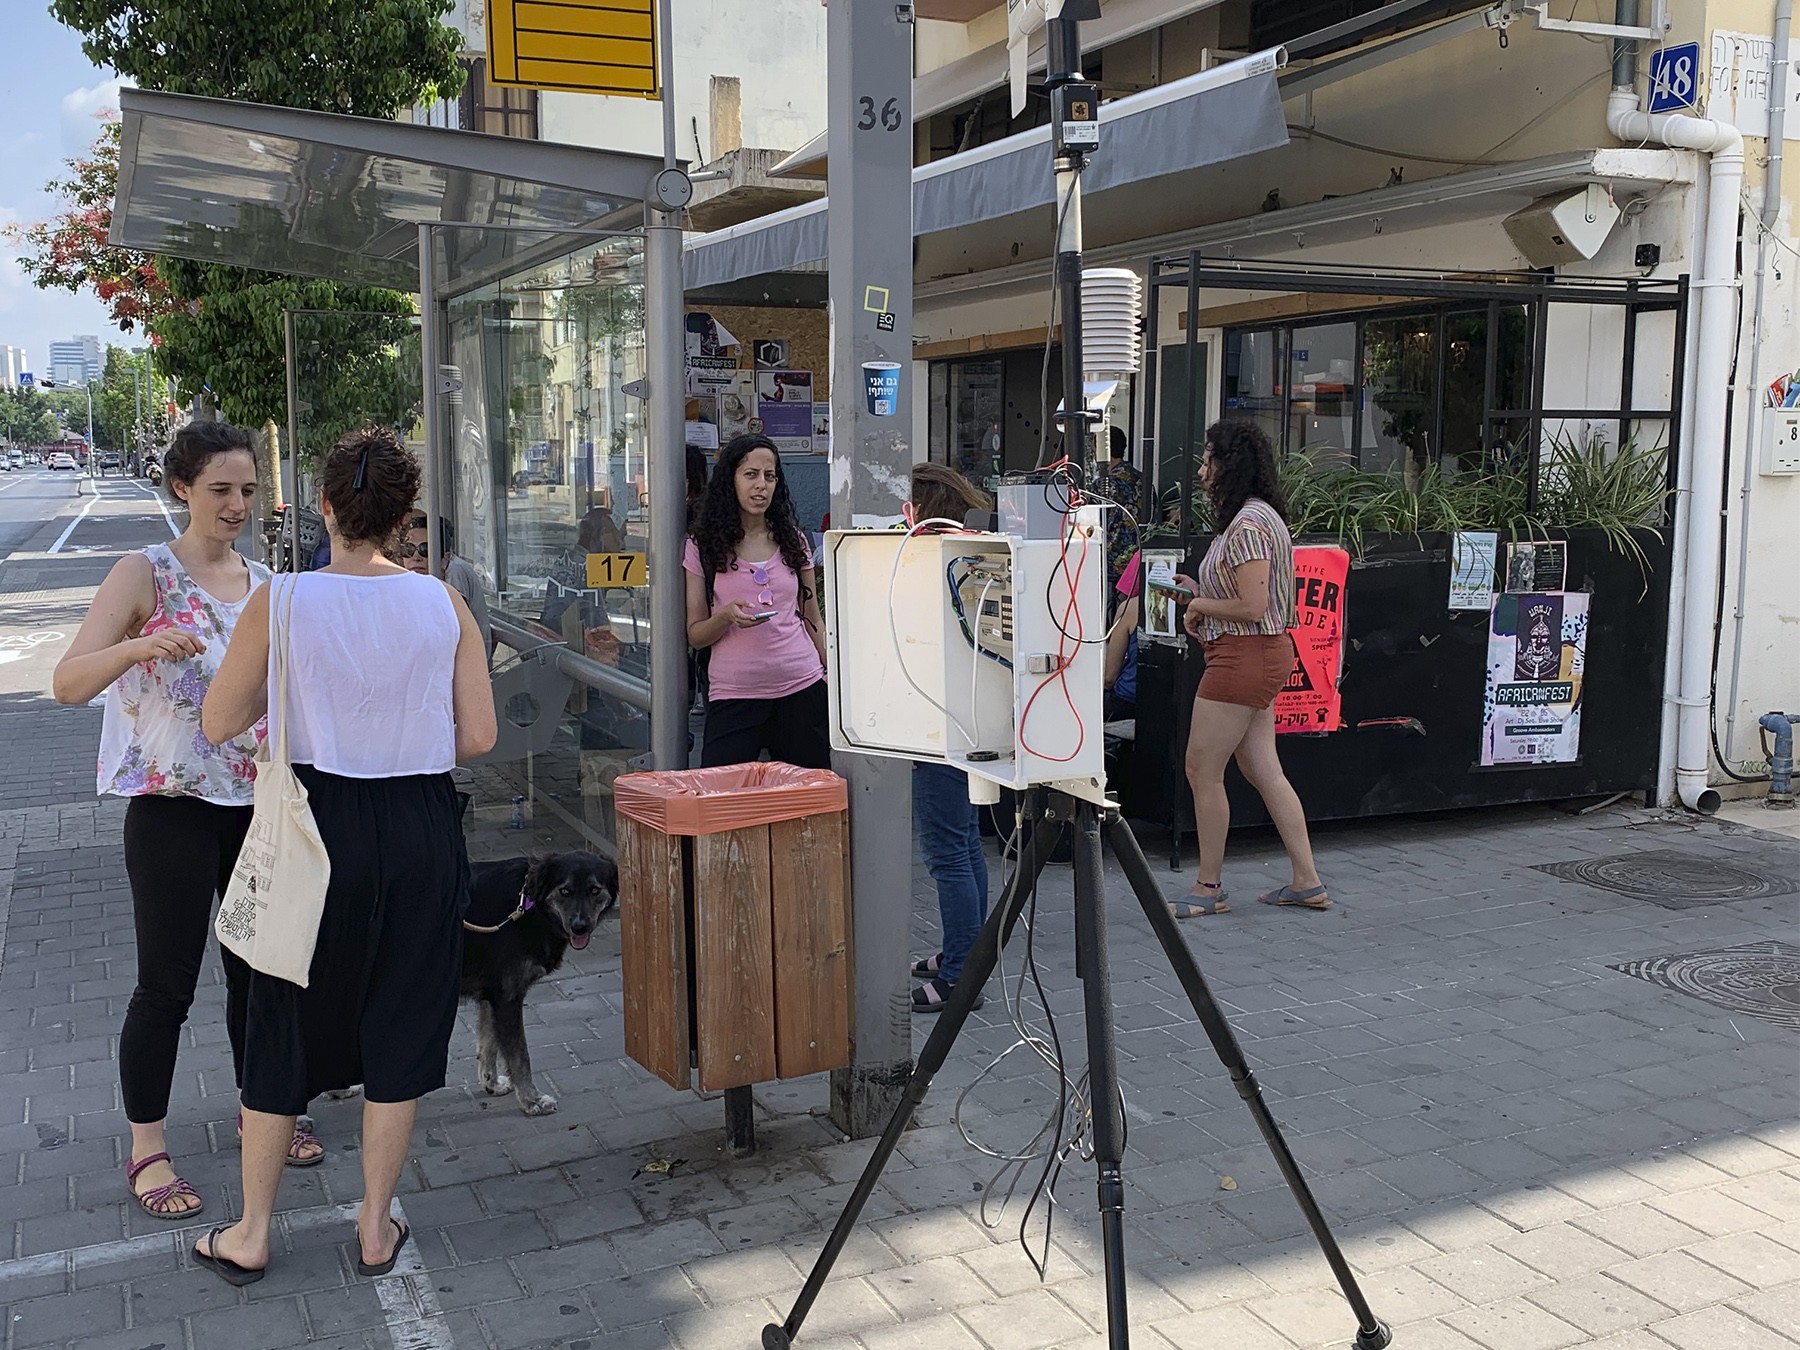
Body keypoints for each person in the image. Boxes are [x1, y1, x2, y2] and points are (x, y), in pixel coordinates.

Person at [193, 427, 496, 1285]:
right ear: (405, 517)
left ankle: (251, 1232)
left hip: (313, 824)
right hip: (421, 827)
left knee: (279, 1017)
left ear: (323, 506)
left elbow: (219, 721)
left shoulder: (280, 601)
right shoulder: (445, 603)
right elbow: (476, 733)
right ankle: (373, 1227)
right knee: (403, 1014)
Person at [51, 421, 323, 1222]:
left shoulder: (270, 582)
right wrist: (135, 651)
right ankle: (147, 1147)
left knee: (260, 972)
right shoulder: (145, 573)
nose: (236, 504)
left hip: (254, 806)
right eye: (219, 490)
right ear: (180, 488)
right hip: (170, 809)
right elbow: (68, 683)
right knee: (165, 987)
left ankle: (262, 1108)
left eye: (246, 490)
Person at [1172, 420, 1328, 918]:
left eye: (1208, 459)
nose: (1201, 471)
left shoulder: (1247, 526)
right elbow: (1252, 601)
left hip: (1243, 655)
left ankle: (1208, 886)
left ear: (1229, 464)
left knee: (1202, 769)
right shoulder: (1260, 517)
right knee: (1262, 768)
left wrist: (1200, 607)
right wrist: (1202, 595)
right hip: (1259, 654)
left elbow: (1253, 604)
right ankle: (1306, 880)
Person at [905, 465, 995, 1012]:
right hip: (974, 717)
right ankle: (966, 953)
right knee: (965, 844)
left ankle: (962, 972)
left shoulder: (924, 562)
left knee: (948, 854)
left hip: (937, 722)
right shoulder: (972, 551)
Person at [685, 433, 829, 768]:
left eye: (770, 476)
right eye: (750, 475)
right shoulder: (701, 546)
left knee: (806, 803)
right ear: (730, 479)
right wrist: (725, 617)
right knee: (724, 802)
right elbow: (695, 633)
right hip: (734, 695)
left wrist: (831, 673)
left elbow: (812, 618)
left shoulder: (793, 539)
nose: (761, 486)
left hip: (801, 688)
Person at [400, 512, 492, 656]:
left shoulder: (455, 571)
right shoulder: (412, 584)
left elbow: (456, 633)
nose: (416, 557)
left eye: (425, 550)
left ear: (445, 558)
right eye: (408, 550)